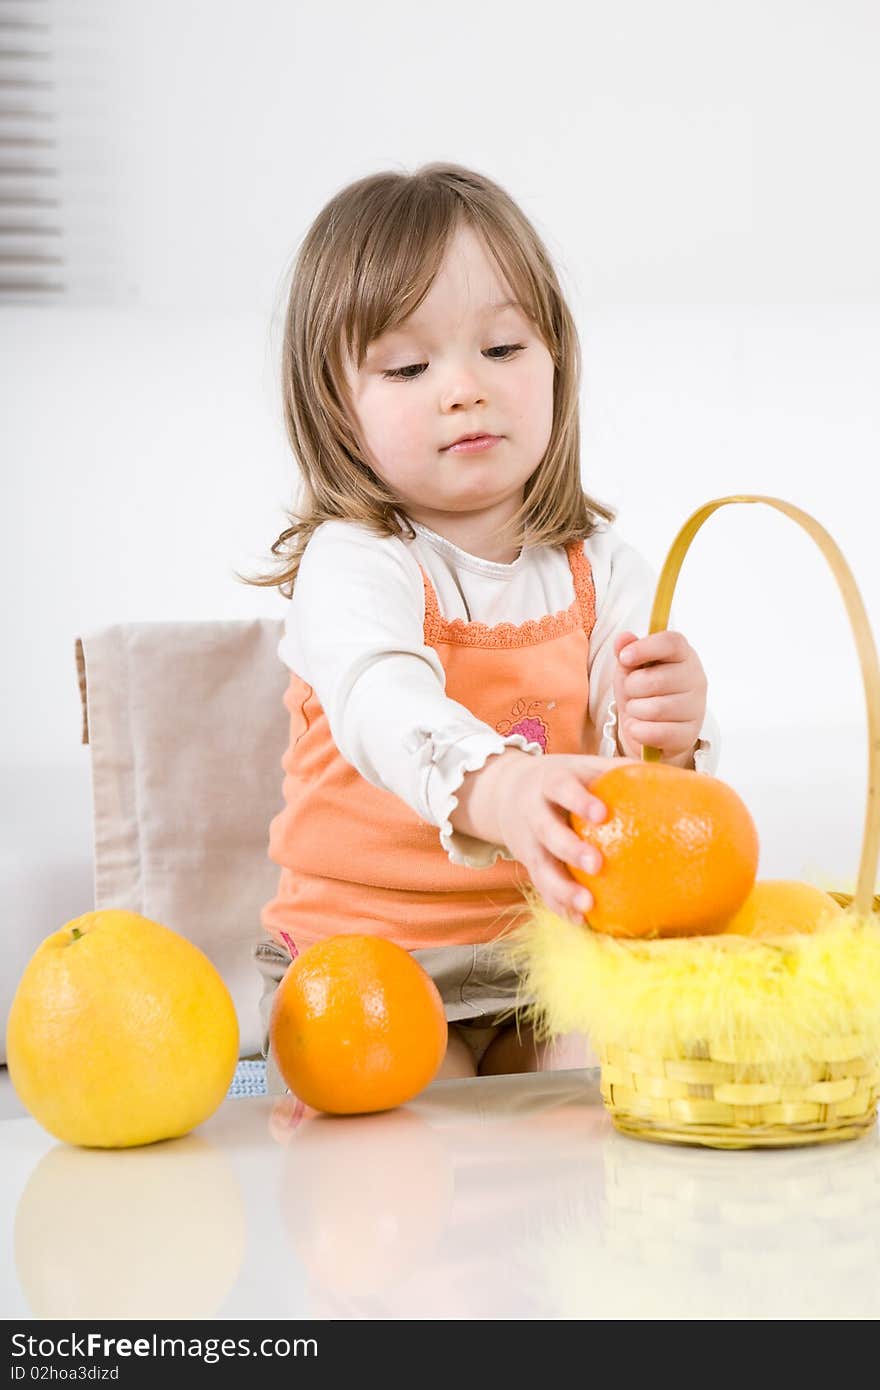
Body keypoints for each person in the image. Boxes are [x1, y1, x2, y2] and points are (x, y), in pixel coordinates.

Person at [241, 161, 720, 1088]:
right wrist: (501, 791)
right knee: (414, 1110)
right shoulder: (355, 562)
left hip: (543, 960)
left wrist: (669, 732)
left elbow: (631, 792)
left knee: (605, 1083)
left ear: (556, 365)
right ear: (335, 409)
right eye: (410, 367)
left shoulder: (602, 565)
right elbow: (384, 704)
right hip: (371, 963)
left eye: (502, 350)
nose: (462, 388)